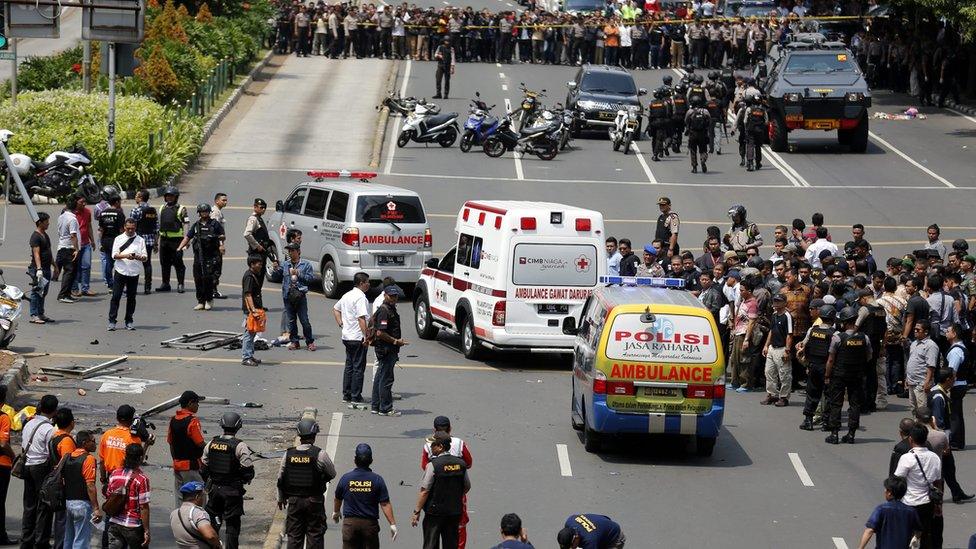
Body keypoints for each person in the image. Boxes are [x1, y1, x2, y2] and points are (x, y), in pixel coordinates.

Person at [277, 418, 337, 549]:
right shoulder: (320, 454)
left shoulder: (288, 454)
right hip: (314, 501)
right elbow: (332, 473)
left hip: (293, 501)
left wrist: (281, 498)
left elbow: (280, 478)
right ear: (314, 436)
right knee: (315, 536)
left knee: (294, 537)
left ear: (299, 436)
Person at [201, 412, 254, 549]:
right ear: (238, 427)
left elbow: (204, 466)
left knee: (213, 523)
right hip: (232, 493)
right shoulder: (240, 446)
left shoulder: (212, 443)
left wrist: (211, 480)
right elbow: (248, 470)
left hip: (215, 491)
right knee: (232, 527)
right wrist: (241, 480)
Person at [420, 416, 473, 549]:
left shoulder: (428, 445)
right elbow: (468, 463)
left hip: (435, 496)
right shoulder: (460, 443)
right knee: (459, 525)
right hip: (456, 494)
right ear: (450, 428)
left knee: (432, 532)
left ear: (434, 430)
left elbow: (424, 466)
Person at [332, 443, 398, 547]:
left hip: (350, 525)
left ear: (355, 460)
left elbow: (337, 498)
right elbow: (385, 504)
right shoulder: (377, 480)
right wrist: (392, 523)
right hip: (369, 526)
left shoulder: (346, 478)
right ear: (371, 460)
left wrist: (336, 511)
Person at [825, 306, 870, 444]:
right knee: (855, 404)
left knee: (836, 403)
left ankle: (834, 434)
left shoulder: (838, 337)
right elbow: (869, 356)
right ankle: (851, 434)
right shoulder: (865, 338)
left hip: (839, 374)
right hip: (856, 375)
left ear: (844, 322)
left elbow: (831, 359)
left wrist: (827, 375)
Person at [893, 424, 941, 549]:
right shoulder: (935, 457)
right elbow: (937, 482)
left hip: (908, 502)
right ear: (926, 440)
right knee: (925, 534)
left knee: (904, 534)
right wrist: (938, 504)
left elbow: (898, 479)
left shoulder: (907, 458)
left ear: (910, 439)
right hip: (927, 503)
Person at [20, 394, 58, 548]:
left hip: (27, 465)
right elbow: (52, 452)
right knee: (44, 505)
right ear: (55, 411)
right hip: (41, 467)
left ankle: (26, 541)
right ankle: (41, 542)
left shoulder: (29, 423)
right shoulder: (49, 429)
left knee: (29, 505)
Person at [177, 204, 225, 311]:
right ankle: (200, 301)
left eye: (206, 211)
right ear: (199, 213)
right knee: (198, 278)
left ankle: (209, 300)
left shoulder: (215, 224)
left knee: (208, 279)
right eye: (202, 212)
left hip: (211, 256)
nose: (204, 213)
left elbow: (222, 235)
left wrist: (220, 243)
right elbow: (187, 237)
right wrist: (180, 247)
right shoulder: (196, 226)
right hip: (199, 256)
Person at [105, 444, 151, 549]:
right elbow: (144, 507)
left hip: (114, 523)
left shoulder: (115, 474)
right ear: (140, 458)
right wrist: (146, 530)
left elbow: (108, 495)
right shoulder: (141, 479)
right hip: (133, 525)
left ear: (125, 456)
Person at [335, 273, 371, 406]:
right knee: (358, 367)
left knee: (349, 366)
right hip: (357, 337)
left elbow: (335, 309)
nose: (369, 284)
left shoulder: (347, 295)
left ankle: (347, 394)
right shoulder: (360, 297)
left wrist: (341, 324)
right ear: (361, 283)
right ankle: (356, 396)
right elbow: (361, 318)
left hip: (347, 336)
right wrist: (366, 336)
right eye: (367, 282)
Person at [372, 285, 408, 416]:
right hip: (386, 349)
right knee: (386, 379)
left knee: (380, 377)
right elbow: (380, 333)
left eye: (395, 296)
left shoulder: (390, 309)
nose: (394, 298)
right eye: (391, 296)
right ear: (385, 295)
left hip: (388, 348)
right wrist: (395, 341)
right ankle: (385, 408)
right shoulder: (384, 311)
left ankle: (376, 406)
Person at [62, 430, 102, 549]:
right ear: (85, 443)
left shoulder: (68, 457)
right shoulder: (88, 459)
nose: (96, 444)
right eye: (93, 441)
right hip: (82, 505)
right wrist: (96, 508)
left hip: (68, 503)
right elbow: (90, 485)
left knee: (68, 538)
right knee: (81, 540)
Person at [857, 476, 921, 549]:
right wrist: (915, 538)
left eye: (886, 489)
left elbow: (869, 530)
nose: (884, 491)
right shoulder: (911, 512)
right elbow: (918, 530)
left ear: (889, 493)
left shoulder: (881, 509)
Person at [798, 305, 835, 431]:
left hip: (813, 366)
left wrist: (807, 364)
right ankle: (826, 422)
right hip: (827, 368)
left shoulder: (812, 330)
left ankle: (808, 421)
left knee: (812, 393)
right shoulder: (834, 334)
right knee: (828, 395)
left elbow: (805, 346)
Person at [108, 219, 147, 331]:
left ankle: (129, 320)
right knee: (116, 296)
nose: (130, 230)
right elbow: (114, 255)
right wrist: (126, 256)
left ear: (135, 228)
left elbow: (145, 256)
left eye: (132, 228)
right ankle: (112, 321)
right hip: (121, 270)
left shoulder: (140, 240)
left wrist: (139, 257)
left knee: (131, 297)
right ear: (124, 227)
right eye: (128, 228)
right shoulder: (118, 239)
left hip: (134, 272)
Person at [275, 243, 316, 351]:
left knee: (304, 320)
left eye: (292, 251)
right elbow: (278, 275)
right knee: (291, 321)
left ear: (298, 252)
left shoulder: (306, 265)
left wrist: (298, 273)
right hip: (288, 296)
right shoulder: (286, 264)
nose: (290, 253)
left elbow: (311, 279)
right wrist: (276, 268)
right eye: (289, 251)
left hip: (300, 296)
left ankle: (310, 341)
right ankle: (294, 341)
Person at [168, 390, 206, 508]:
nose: (198, 405)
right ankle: (197, 521)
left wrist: (175, 460)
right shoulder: (192, 421)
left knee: (180, 496)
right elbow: (200, 443)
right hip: (191, 466)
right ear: (190, 403)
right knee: (199, 495)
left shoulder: (173, 420)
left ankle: (180, 521)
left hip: (177, 465)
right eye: (197, 403)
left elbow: (171, 443)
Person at [762, 293, 793, 407]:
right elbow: (771, 331)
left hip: (782, 349)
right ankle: (771, 394)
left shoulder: (787, 316)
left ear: (784, 303)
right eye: (775, 301)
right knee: (769, 372)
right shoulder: (774, 315)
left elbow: (789, 335)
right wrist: (766, 345)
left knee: (784, 374)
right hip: (772, 348)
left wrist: (787, 350)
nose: (776, 303)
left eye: (778, 301)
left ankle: (784, 397)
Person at [170, 481, 221, 548]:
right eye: (202, 496)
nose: (203, 498)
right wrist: (218, 545)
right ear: (197, 497)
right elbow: (210, 536)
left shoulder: (174, 514)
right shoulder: (197, 513)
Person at [157, 186, 188, 293]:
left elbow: (186, 224)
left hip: (177, 241)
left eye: (171, 196)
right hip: (164, 240)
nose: (169, 198)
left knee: (178, 263)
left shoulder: (181, 209)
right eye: (167, 196)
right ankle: (165, 284)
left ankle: (180, 284)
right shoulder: (162, 208)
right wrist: (157, 242)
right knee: (164, 263)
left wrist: (186, 240)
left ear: (176, 197)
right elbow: (159, 225)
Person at [905, 321, 940, 413]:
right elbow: (911, 361)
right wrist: (907, 378)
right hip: (912, 382)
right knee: (913, 409)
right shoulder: (914, 343)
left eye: (918, 330)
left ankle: (923, 427)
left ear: (926, 332)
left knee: (922, 411)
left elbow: (931, 365)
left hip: (921, 383)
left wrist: (927, 382)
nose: (915, 331)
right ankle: (915, 427)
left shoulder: (931, 345)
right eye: (914, 329)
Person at [944, 323, 968, 449]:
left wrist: (946, 387)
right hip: (961, 384)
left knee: (954, 415)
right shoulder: (960, 348)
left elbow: (951, 372)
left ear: (954, 334)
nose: (946, 333)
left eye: (948, 331)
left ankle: (955, 442)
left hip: (956, 385)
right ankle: (958, 441)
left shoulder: (956, 351)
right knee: (957, 414)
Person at [130, 189, 158, 295]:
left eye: (137, 195)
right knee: (147, 264)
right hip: (150, 241)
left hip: (138, 241)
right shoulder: (152, 210)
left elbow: (131, 227)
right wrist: (156, 243)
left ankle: (132, 287)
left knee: (134, 263)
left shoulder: (136, 210)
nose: (135, 197)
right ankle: (148, 287)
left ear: (141, 198)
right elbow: (156, 228)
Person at [28, 212, 55, 324]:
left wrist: (55, 266)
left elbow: (48, 251)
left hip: (47, 268)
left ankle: (41, 313)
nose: (48, 223)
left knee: (43, 292)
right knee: (36, 291)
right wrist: (39, 269)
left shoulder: (45, 235)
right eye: (46, 221)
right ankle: (34, 315)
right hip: (38, 269)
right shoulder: (35, 236)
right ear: (40, 222)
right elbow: (36, 253)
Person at [243, 199, 276, 285]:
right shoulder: (253, 219)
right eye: (261, 207)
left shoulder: (259, 219)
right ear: (255, 207)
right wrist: (257, 245)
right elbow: (247, 234)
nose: (263, 209)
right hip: (256, 254)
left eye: (264, 208)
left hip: (262, 253)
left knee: (260, 277)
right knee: (255, 278)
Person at [97, 192, 125, 291]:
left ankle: (110, 285)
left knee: (109, 263)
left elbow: (101, 229)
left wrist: (100, 242)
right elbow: (122, 230)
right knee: (119, 263)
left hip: (105, 241)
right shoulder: (119, 213)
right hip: (116, 241)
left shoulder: (103, 213)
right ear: (117, 202)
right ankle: (119, 284)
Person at [56, 197, 82, 304]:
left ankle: (67, 294)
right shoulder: (72, 219)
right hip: (69, 249)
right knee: (70, 272)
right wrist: (76, 249)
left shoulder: (61, 217)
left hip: (62, 246)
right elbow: (73, 235)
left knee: (69, 272)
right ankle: (63, 295)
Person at [241, 256, 266, 367]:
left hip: (254, 309)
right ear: (252, 264)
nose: (260, 266)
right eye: (258, 264)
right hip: (251, 310)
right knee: (249, 333)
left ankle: (250, 355)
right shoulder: (249, 277)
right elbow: (248, 294)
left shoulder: (253, 275)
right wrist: (253, 310)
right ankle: (246, 357)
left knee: (252, 333)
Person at [735, 94, 767, 171]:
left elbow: (745, 121)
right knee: (758, 146)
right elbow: (766, 122)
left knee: (750, 146)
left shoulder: (749, 109)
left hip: (751, 130)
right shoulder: (763, 110)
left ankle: (750, 163)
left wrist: (747, 128)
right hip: (760, 131)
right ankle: (758, 163)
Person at [556, 514, 625, 549]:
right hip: (601, 529)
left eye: (571, 547)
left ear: (576, 538)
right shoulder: (570, 521)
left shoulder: (590, 541)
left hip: (614, 538)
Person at [0, 385, 14, 546]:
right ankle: (1, 536)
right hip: (2, 463)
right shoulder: (3, 417)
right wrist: (13, 455)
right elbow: (3, 443)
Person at [685, 97, 712, 174]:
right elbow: (709, 120)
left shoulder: (690, 112)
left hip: (693, 134)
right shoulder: (705, 111)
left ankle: (694, 167)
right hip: (703, 134)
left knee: (693, 151)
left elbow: (686, 121)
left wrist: (688, 128)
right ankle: (703, 160)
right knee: (703, 149)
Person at [211, 193, 228, 299]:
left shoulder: (217, 212)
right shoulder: (216, 213)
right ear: (217, 201)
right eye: (223, 200)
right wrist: (221, 245)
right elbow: (216, 231)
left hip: (214, 244)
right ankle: (213, 290)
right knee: (216, 267)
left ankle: (212, 289)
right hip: (215, 245)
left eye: (226, 200)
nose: (225, 202)